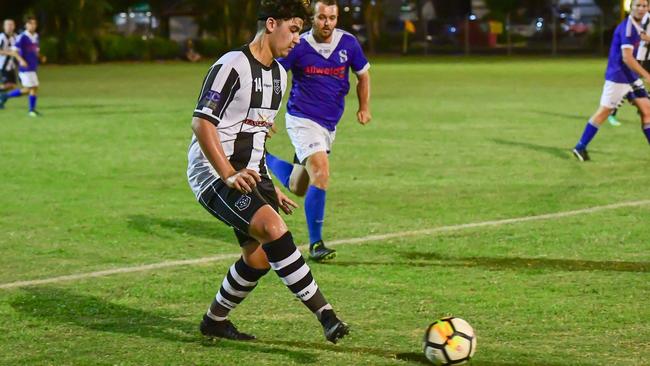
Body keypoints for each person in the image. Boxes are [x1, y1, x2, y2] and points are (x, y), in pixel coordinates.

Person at [187, 0, 349, 344]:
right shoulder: (232, 65)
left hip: (248, 173)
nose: (297, 40)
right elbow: (202, 123)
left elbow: (257, 136)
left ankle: (214, 321)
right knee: (274, 229)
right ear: (271, 24)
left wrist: (268, 185)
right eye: (294, 30)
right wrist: (228, 173)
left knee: (259, 258)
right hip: (213, 172)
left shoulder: (277, 75)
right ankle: (327, 315)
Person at [265, 0, 371, 261]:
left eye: (332, 18)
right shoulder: (298, 45)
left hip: (328, 124)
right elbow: (275, 76)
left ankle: (264, 159)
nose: (328, 23)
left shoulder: (348, 43)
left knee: (298, 186)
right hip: (302, 119)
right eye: (322, 17)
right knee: (321, 173)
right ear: (312, 18)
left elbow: (363, 75)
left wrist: (364, 107)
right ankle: (316, 244)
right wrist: (267, 114)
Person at [572, 0, 650, 161]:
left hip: (632, 77)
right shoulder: (627, 28)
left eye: (645, 5)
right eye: (638, 5)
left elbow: (641, 37)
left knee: (647, 111)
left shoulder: (637, 25)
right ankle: (580, 147)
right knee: (604, 113)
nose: (641, 9)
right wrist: (647, 75)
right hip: (619, 78)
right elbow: (627, 58)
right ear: (631, 7)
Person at [607, 11, 650, 127]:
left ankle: (643, 107)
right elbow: (641, 35)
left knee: (632, 87)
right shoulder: (645, 17)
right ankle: (612, 112)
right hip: (641, 58)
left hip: (645, 57)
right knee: (628, 87)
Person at [0, 16, 41, 116]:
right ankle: (31, 110)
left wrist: (40, 56)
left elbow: (34, 50)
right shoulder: (20, 36)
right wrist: (21, 60)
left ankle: (5, 96)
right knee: (30, 88)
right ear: (26, 25)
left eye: (34, 23)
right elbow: (14, 51)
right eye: (30, 23)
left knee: (31, 88)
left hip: (23, 67)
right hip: (10, 66)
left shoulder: (34, 36)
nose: (33, 25)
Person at [0, 19, 26, 98]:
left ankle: (1, 98)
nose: (10, 27)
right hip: (2, 65)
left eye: (11, 25)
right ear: (4, 27)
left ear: (14, 26)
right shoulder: (2, 37)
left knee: (12, 86)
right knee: (8, 84)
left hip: (11, 66)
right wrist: (11, 53)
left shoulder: (16, 36)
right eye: (8, 25)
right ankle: (2, 98)